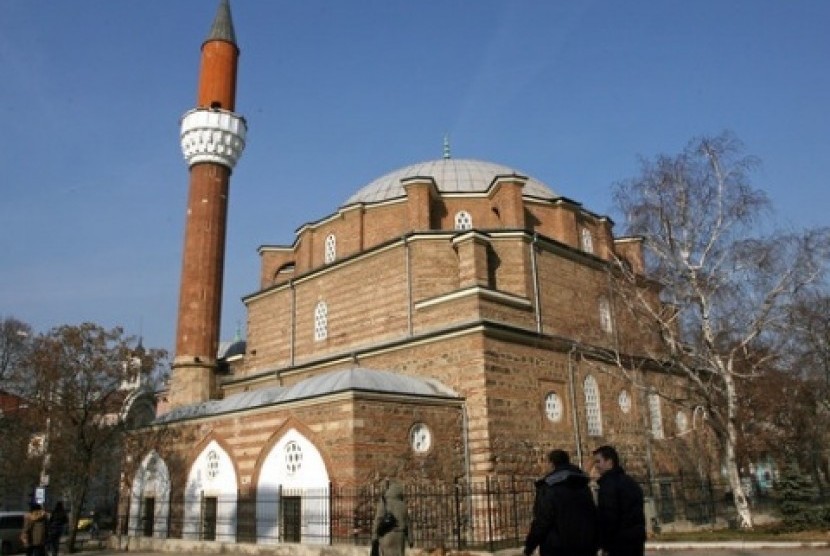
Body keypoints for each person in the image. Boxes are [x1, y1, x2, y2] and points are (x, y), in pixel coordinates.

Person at [523, 449, 597, 556]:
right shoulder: (582, 484)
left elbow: (543, 520)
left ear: (552, 464)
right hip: (584, 546)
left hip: (557, 547)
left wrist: (530, 546)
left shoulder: (549, 487)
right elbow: (592, 513)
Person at [592, 445, 646, 556]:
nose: (596, 466)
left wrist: (605, 545)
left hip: (618, 543)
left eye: (598, 461)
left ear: (609, 462)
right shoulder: (631, 482)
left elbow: (609, 517)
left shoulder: (608, 485)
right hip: (636, 540)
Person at [371, 480, 411, 556]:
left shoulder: (385, 502)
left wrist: (374, 536)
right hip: (400, 536)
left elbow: (378, 519)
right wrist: (410, 539)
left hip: (387, 535)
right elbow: (408, 523)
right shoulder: (403, 506)